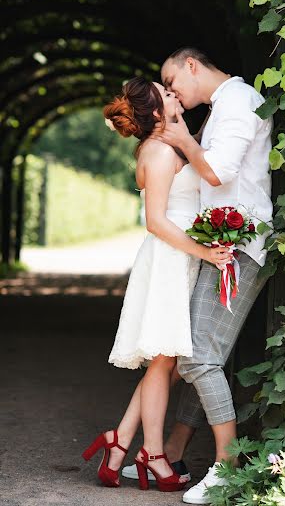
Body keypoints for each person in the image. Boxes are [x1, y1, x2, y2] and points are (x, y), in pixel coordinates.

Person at [127, 46, 273, 505]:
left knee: (199, 358)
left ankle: (227, 469)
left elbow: (220, 172)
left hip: (238, 248)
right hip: (221, 246)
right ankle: (172, 451)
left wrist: (180, 137)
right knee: (199, 353)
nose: (173, 95)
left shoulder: (238, 103)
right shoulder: (223, 107)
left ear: (192, 65)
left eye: (172, 84)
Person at [82, 77, 231, 493]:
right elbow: (156, 220)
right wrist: (206, 253)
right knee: (164, 362)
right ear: (156, 112)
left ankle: (121, 443)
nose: (174, 94)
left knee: (163, 363)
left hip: (175, 257)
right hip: (170, 260)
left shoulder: (165, 146)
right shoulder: (161, 154)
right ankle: (152, 453)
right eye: (165, 94)